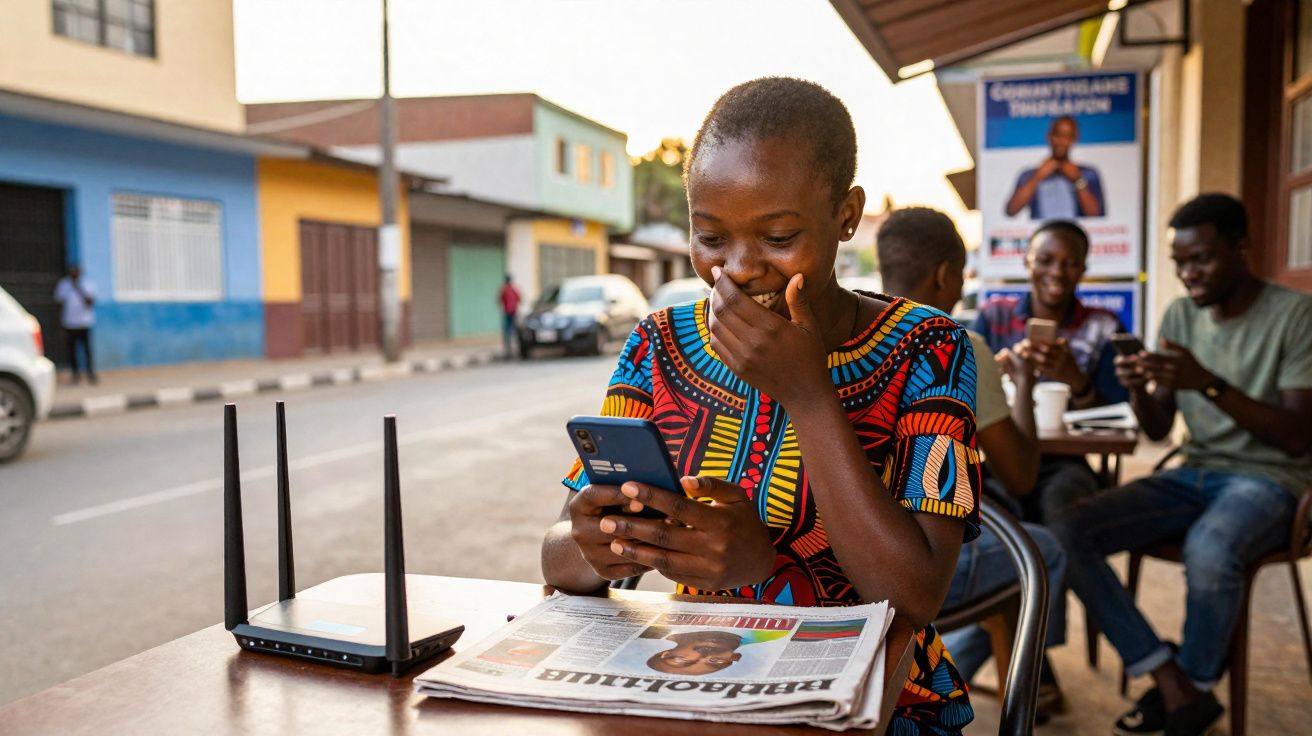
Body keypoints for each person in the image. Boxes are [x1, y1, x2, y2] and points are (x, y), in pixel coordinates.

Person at [540, 77, 982, 734]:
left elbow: (915, 595)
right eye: (710, 237)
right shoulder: (658, 345)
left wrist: (806, 393)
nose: (739, 269)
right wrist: (613, 541)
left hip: (882, 705)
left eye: (777, 236)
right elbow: (559, 557)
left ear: (847, 215)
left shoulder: (931, 348)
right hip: (699, 688)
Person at [1051, 193, 1312, 736]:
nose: (1188, 274)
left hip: (1270, 479)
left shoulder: (1296, 316)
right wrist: (1140, 391)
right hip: (1193, 471)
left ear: (1243, 248)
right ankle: (1170, 679)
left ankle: (1186, 692)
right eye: (1179, 263)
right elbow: (1157, 428)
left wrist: (1208, 383)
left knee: (1210, 549)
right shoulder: (1179, 314)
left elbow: (1294, 437)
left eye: (1202, 259)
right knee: (1067, 529)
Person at [877, 207, 1068, 717]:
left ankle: (991, 672)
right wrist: (1024, 383)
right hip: (918, 571)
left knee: (1002, 548)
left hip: (843, 558)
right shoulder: (953, 342)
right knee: (1043, 548)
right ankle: (1032, 683)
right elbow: (1021, 474)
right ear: (945, 275)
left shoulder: (848, 336)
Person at [970, 220, 1127, 523]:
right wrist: (998, 373)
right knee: (997, 516)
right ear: (1026, 260)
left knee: (1065, 514)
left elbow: (1117, 417)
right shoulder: (993, 317)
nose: (1056, 272)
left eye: (1070, 263)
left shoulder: (1103, 326)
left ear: (1083, 269)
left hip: (1067, 462)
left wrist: (1076, 380)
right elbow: (969, 397)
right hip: (1000, 458)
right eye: (1045, 260)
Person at [1006, 115, 1105, 219]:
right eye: (1057, 135)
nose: (1061, 141)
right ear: (1049, 136)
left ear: (1074, 139)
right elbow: (1011, 210)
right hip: (1042, 233)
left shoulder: (1088, 174)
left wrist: (1077, 180)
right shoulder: (1029, 174)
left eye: (1067, 136)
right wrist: (1037, 177)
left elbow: (1096, 215)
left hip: (1074, 234)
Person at [53, 264, 97, 385]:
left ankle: (90, 373)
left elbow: (90, 302)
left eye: (75, 272)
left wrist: (78, 288)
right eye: (71, 272)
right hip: (69, 323)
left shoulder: (87, 284)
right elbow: (59, 304)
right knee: (71, 351)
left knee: (87, 350)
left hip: (84, 322)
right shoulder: (63, 285)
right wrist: (60, 322)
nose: (74, 274)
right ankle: (75, 375)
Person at [499, 274, 521, 359]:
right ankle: (514, 349)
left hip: (507, 312)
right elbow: (519, 299)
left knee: (507, 330)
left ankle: (509, 350)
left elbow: (500, 300)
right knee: (514, 330)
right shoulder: (514, 289)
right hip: (514, 312)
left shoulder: (504, 289)